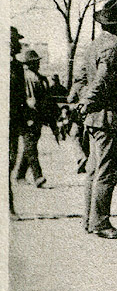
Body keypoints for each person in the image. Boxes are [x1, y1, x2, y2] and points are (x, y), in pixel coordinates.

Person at [78, 1, 117, 238]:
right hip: (109, 118)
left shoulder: (93, 45)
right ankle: (101, 223)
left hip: (96, 119)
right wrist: (88, 103)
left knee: (94, 171)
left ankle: (89, 220)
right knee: (107, 171)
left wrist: (84, 103)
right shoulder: (113, 46)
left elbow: (82, 77)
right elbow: (101, 80)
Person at [15, 49, 54, 188]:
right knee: (31, 146)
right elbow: (31, 100)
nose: (38, 64)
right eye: (35, 62)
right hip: (30, 116)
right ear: (29, 63)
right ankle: (38, 176)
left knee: (30, 146)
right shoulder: (29, 77)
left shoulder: (36, 76)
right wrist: (33, 115)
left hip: (35, 116)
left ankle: (20, 175)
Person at [10, 28, 31, 214]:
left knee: (11, 160)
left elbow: (21, 96)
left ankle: (8, 204)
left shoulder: (16, 66)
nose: (19, 44)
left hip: (14, 121)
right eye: (16, 41)